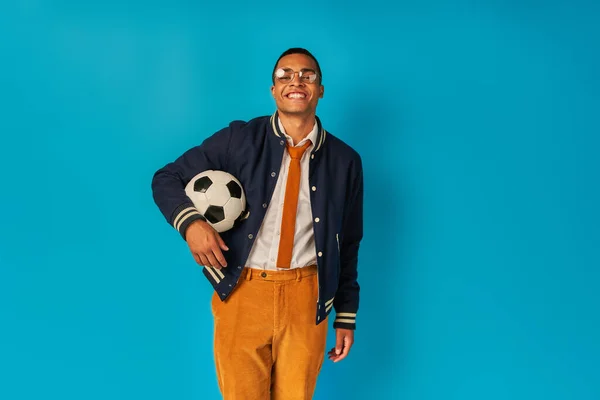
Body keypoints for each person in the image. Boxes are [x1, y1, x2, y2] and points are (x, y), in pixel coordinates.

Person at [151, 47, 363, 400]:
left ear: (320, 89)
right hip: (243, 291)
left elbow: (350, 240)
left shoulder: (345, 161)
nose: (296, 81)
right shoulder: (240, 139)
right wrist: (192, 225)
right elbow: (166, 177)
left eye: (307, 75)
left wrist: (346, 313)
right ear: (273, 89)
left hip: (307, 296)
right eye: (285, 74)